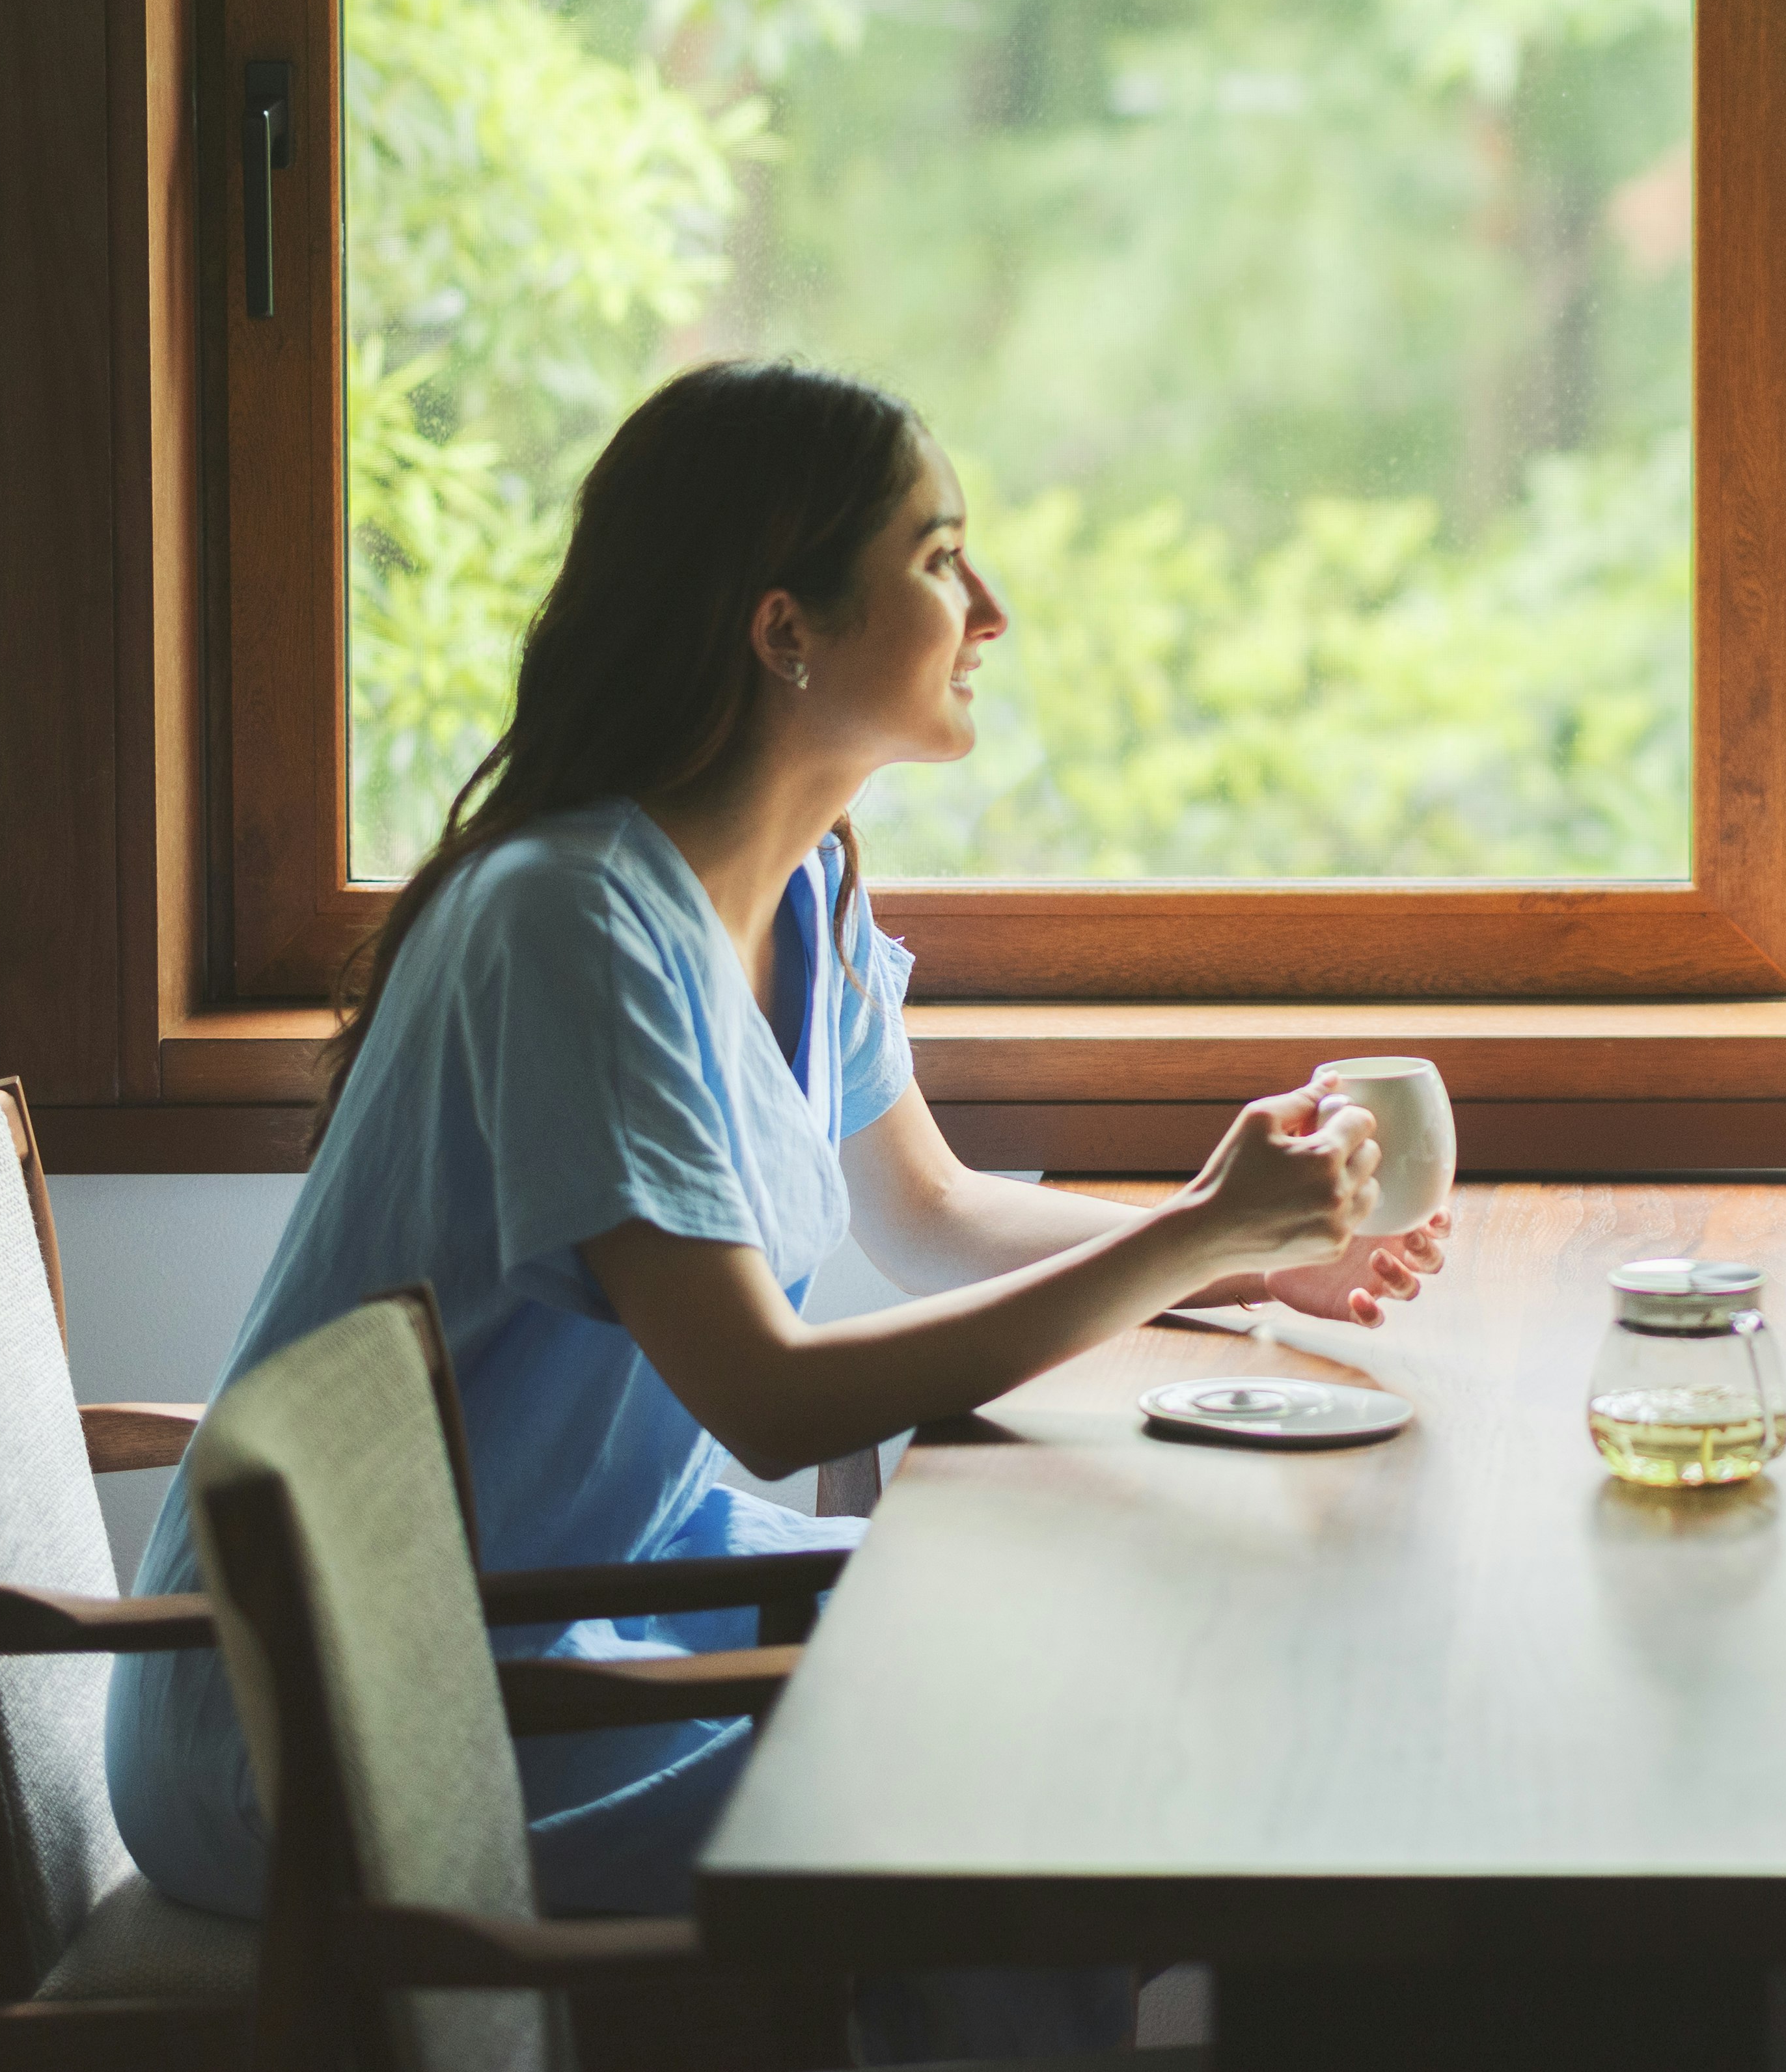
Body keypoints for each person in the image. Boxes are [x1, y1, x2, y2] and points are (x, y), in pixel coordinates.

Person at [109, 360, 1448, 1987]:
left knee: (1093, 1623)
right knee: (1042, 1779)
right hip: (350, 1720)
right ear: (782, 625)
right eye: (943, 556)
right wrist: (1186, 1233)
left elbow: (931, 1211)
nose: (994, 609)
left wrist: (1250, 1259)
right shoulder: (573, 919)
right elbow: (771, 1393)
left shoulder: (798, 890)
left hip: (588, 1609)